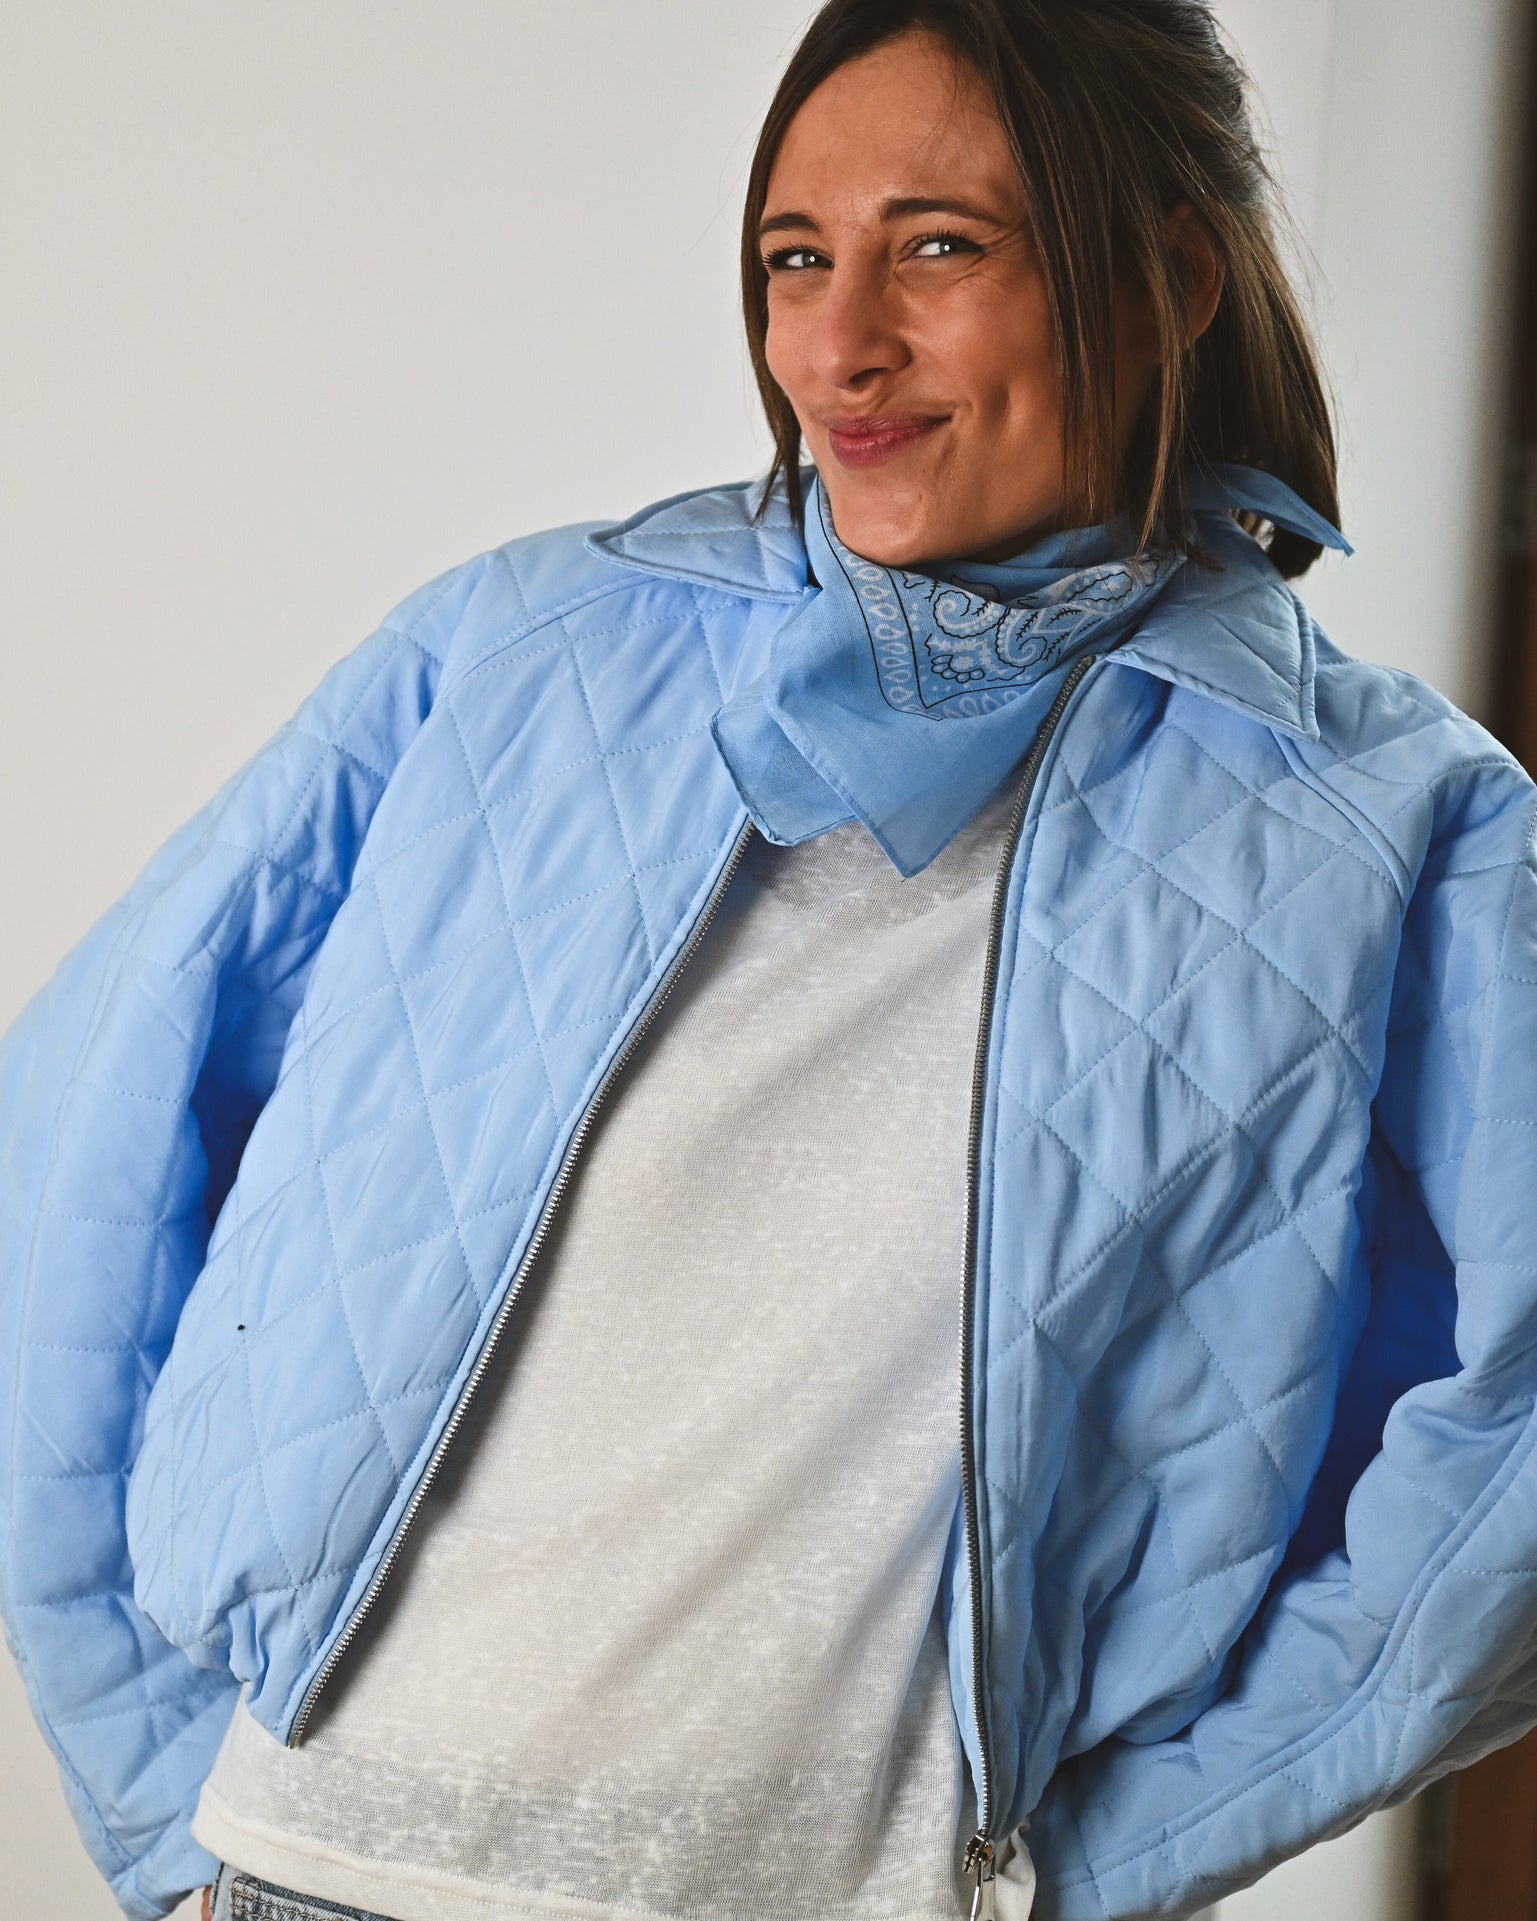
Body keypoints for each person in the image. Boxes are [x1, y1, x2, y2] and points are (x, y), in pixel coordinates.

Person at [5, 2, 1537, 1919]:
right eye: (795, 258)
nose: (839, 344)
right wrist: (165, 1781)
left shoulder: (1384, 816)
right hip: (307, 1875)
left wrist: (1122, 1846)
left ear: (1168, 284)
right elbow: (80, 1134)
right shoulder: (528, 653)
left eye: (939, 246)